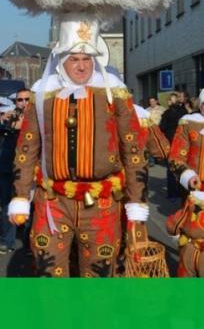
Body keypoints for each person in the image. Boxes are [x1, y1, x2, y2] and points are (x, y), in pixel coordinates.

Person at [9, 18, 148, 278]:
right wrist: (20, 195)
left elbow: (133, 150)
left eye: (87, 59)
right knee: (48, 271)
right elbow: (26, 149)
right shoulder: (43, 95)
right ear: (62, 60)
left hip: (102, 202)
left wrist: (137, 200)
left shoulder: (113, 93)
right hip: (52, 201)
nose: (82, 66)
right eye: (74, 59)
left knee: (99, 277)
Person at [166, 89, 204, 276]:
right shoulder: (189, 124)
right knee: (190, 241)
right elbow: (175, 158)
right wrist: (188, 176)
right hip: (193, 193)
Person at [0, 88, 31, 254]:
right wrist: (2, 119)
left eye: (26, 99)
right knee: (8, 203)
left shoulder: (37, 118)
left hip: (27, 167)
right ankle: (7, 241)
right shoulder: (11, 116)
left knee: (29, 204)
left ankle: (29, 242)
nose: (23, 103)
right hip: (7, 165)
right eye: (19, 100)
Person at [160, 92, 188, 199]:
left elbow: (162, 127)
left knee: (171, 168)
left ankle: (172, 194)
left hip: (171, 142)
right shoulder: (184, 111)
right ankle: (182, 192)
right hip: (182, 143)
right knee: (182, 166)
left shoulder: (167, 113)